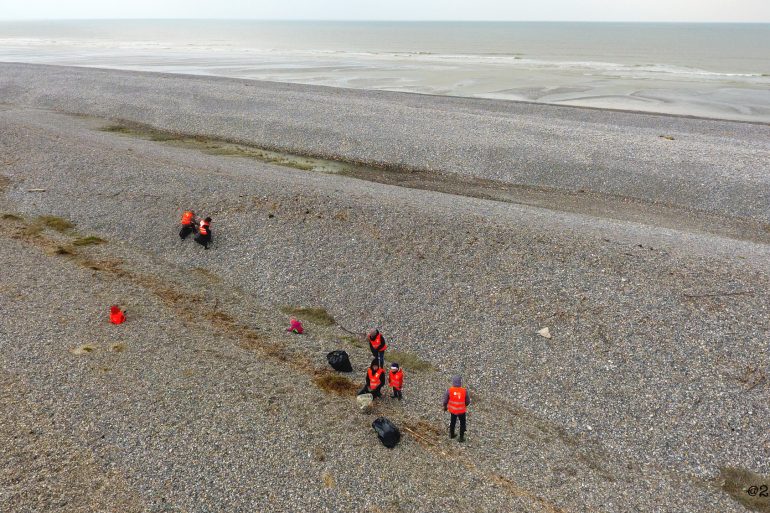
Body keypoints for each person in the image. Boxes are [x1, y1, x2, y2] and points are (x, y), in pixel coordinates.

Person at [443, 375, 470, 442]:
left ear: (453, 382)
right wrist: (465, 405)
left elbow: (445, 401)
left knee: (453, 422)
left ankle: (452, 435)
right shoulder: (464, 391)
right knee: (462, 423)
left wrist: (445, 407)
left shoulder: (449, 390)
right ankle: (461, 437)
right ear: (460, 382)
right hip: (461, 411)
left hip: (453, 410)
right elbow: (468, 401)